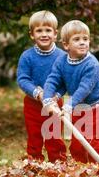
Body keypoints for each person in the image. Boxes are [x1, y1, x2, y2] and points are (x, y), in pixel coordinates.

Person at [42, 20, 99, 163]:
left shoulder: (92, 64)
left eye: (85, 39)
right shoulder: (61, 61)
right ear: (66, 45)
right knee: (77, 145)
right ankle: (80, 171)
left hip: (96, 107)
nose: (83, 42)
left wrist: (68, 106)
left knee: (94, 142)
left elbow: (84, 89)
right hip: (78, 107)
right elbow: (53, 80)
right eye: (77, 39)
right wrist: (48, 99)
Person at [17, 10, 67, 162]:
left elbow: (65, 81)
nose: (44, 34)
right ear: (32, 34)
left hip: (55, 103)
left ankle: (58, 165)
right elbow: (23, 79)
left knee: (54, 137)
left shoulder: (61, 57)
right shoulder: (27, 56)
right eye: (39, 30)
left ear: (55, 34)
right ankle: (34, 165)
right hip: (33, 104)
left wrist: (56, 95)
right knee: (34, 136)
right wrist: (37, 92)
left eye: (48, 30)